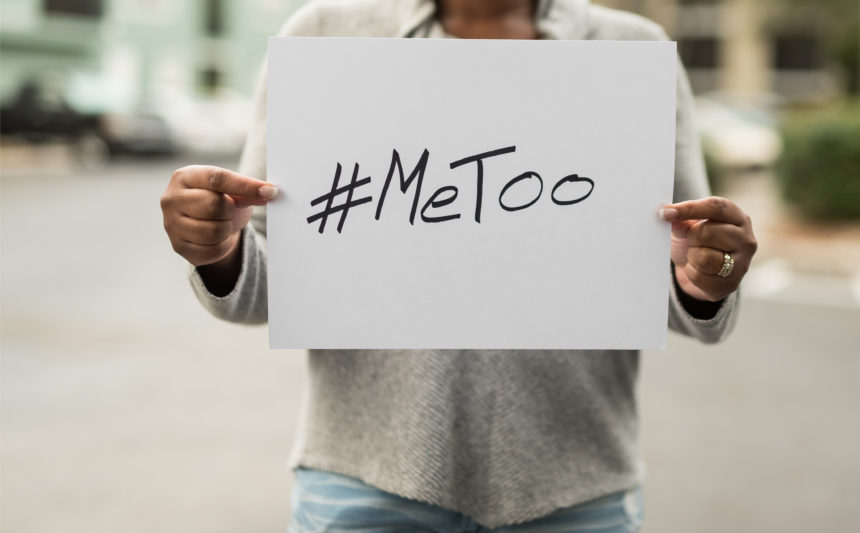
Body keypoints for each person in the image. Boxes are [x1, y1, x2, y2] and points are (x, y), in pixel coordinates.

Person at [159, 0, 758, 531]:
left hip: (576, 486)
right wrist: (218, 251)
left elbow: (687, 270)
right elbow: (268, 286)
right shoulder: (324, 36)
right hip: (365, 480)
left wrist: (712, 275)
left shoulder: (632, 52)